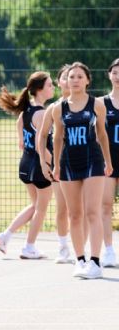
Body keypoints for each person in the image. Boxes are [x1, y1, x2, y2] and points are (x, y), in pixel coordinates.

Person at [52, 62, 112, 279]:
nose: (75, 80)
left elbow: (102, 135)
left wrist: (108, 162)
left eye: (79, 76)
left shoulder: (96, 104)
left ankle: (95, 262)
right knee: (74, 215)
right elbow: (57, 137)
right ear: (65, 81)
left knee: (92, 212)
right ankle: (80, 260)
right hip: (69, 163)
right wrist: (56, 165)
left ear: (87, 80)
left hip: (93, 162)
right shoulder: (59, 108)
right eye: (71, 77)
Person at [0, 71, 54, 259]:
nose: (53, 87)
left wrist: (22, 140)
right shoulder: (42, 113)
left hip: (26, 163)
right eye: (50, 85)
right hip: (39, 165)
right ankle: (29, 247)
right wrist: (54, 163)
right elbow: (39, 144)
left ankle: (5, 236)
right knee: (41, 208)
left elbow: (20, 131)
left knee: (35, 205)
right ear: (39, 89)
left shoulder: (26, 111)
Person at [38, 65, 73, 263]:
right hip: (59, 165)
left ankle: (81, 249)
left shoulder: (87, 105)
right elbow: (42, 136)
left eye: (73, 76)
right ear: (59, 82)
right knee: (62, 208)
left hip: (83, 163)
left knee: (81, 209)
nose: (69, 81)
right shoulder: (53, 108)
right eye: (65, 77)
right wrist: (44, 163)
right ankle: (63, 248)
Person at [99, 58, 119, 267]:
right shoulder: (101, 103)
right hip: (108, 161)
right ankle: (109, 250)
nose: (118, 76)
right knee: (105, 206)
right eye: (115, 72)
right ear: (109, 75)